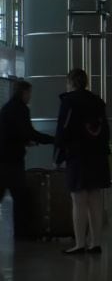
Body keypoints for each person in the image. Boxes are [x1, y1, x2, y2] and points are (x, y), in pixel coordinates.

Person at [55, 69, 111, 254]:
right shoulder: (98, 102)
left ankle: (80, 243)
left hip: (78, 157)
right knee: (95, 199)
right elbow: (105, 131)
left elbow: (63, 130)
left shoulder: (69, 102)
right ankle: (96, 243)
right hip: (98, 157)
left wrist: (58, 156)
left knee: (78, 200)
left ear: (70, 82)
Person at [0, 80, 54, 240]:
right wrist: (51, 140)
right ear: (24, 92)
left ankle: (22, 233)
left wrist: (24, 140)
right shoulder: (20, 109)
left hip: (3, 157)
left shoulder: (8, 108)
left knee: (12, 193)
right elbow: (28, 132)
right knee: (21, 196)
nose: (30, 97)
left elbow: (13, 132)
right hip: (12, 160)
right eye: (29, 93)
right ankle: (23, 234)